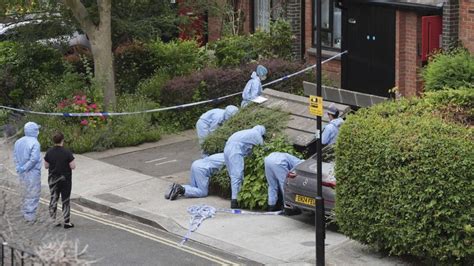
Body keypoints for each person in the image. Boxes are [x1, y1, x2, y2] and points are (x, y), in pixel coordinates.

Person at [224, 125, 266, 208]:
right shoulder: (257, 135)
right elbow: (263, 149)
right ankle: (235, 201)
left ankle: (236, 197)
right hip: (235, 150)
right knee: (237, 175)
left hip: (227, 149)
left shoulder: (245, 132)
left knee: (233, 175)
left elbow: (247, 148)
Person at [44, 132, 76, 229]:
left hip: (53, 179)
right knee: (65, 200)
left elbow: (46, 166)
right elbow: (73, 166)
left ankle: (53, 220)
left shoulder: (49, 152)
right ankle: (66, 222)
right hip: (65, 179)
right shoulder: (67, 152)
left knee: (54, 198)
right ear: (63, 140)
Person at [13, 122, 42, 222]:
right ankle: (30, 216)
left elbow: (15, 156)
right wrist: (25, 167)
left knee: (25, 191)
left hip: (21, 171)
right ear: (34, 131)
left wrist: (19, 167)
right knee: (33, 193)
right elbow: (34, 159)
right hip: (32, 172)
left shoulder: (18, 142)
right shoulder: (35, 143)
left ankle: (24, 212)